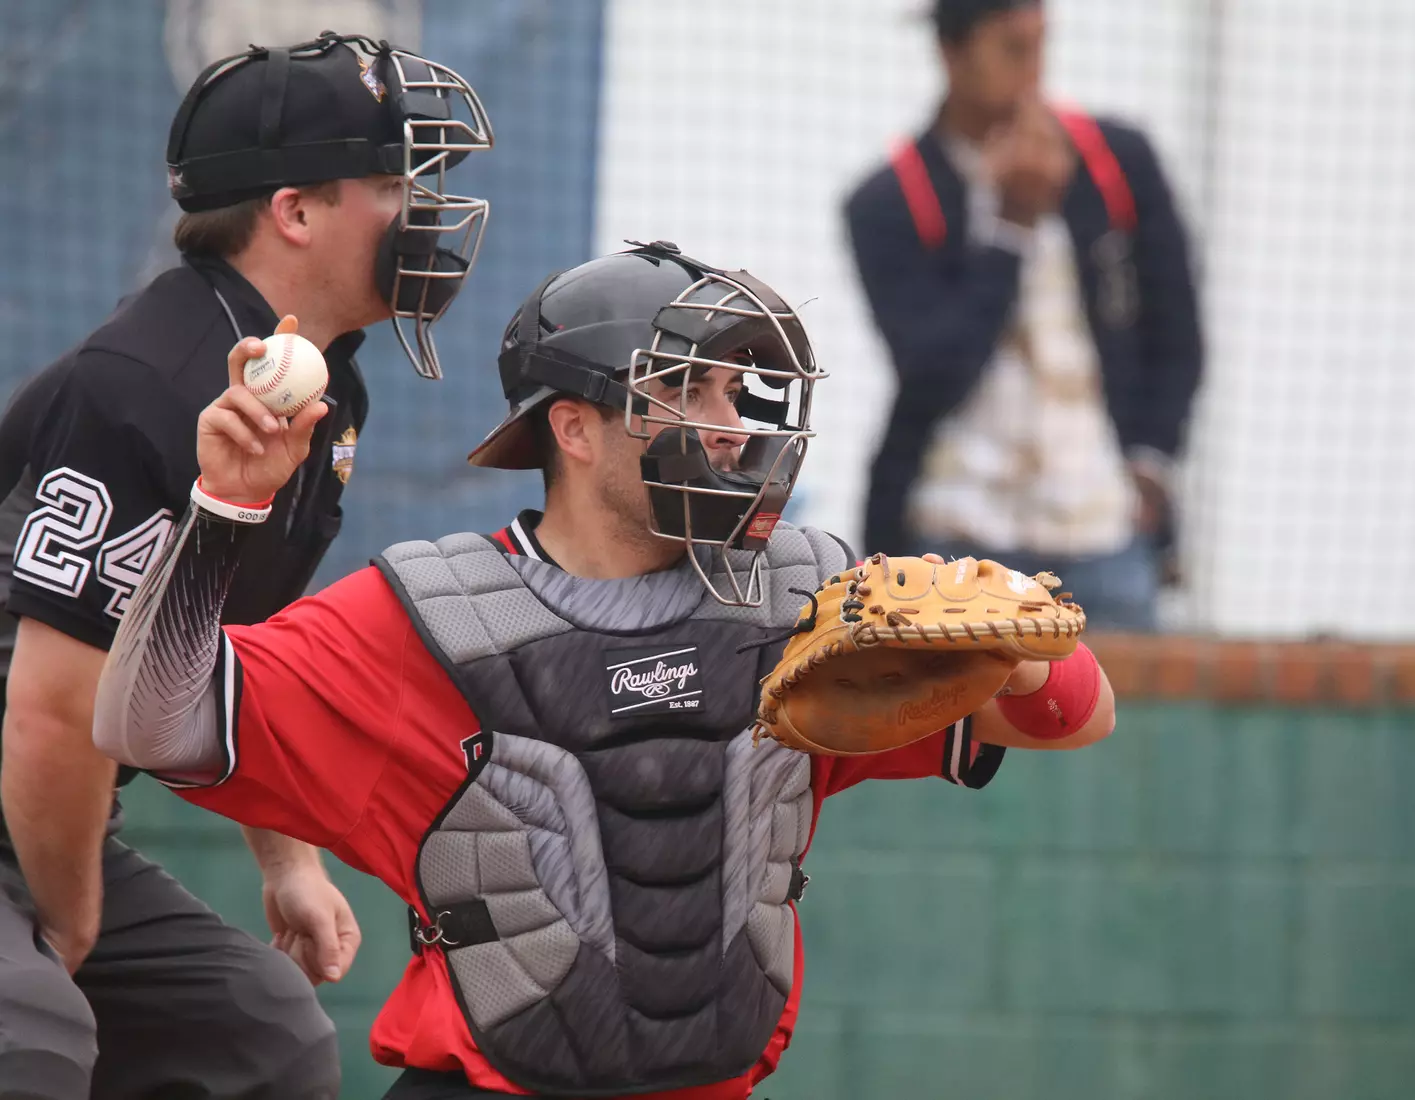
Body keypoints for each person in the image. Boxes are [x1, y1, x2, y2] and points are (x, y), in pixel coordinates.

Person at [90, 241, 1117, 1099]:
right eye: (682, 386)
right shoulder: (427, 614)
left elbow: (1076, 717)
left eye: (734, 386)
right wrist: (225, 511)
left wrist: (1013, 647)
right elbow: (150, 722)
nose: (727, 421)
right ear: (572, 427)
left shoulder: (803, 593)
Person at [0, 30, 493, 1099]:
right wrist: (73, 919)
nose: (425, 208)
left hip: (32, 811)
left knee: (260, 1039)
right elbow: (46, 710)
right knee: (29, 1038)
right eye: (392, 181)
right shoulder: (146, 381)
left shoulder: (320, 386)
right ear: (296, 211)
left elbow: (223, 644)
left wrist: (288, 857)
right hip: (29, 787)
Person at [844, 0, 1204, 631]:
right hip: (955, 533)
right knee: (953, 732)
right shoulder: (889, 200)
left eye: (1040, 44)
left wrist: (1150, 465)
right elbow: (930, 373)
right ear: (951, 53)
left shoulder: (1119, 162)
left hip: (1103, 533)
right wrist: (1010, 228)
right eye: (1012, 49)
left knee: (1104, 722)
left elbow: (1178, 333)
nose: (1033, 69)